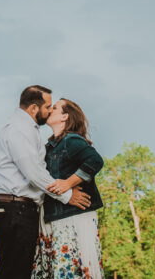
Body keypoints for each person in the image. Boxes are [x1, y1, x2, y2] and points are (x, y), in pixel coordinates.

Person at [0, 85, 92, 279]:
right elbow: (34, 172)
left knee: (15, 267)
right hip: (13, 207)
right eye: (48, 106)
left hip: (12, 207)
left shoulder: (25, 129)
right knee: (15, 270)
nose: (50, 110)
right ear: (34, 108)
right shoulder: (19, 130)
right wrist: (67, 195)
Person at [33, 98, 104, 279]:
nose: (49, 110)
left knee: (75, 269)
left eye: (54, 108)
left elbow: (95, 161)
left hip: (74, 218)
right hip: (53, 219)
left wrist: (68, 184)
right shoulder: (48, 147)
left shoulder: (71, 140)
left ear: (65, 116)